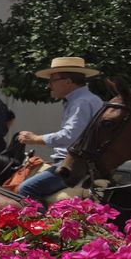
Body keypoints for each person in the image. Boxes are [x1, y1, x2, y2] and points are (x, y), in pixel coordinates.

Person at [15, 56, 106, 204]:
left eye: (52, 81)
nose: (49, 86)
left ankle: (39, 226)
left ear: (68, 82)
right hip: (77, 162)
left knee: (26, 189)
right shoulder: (86, 99)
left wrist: (36, 139)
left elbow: (70, 136)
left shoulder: (81, 102)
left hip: (75, 166)